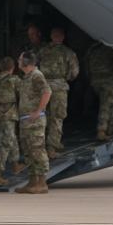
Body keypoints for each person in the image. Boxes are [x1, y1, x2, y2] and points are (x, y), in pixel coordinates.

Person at [0, 57, 25, 186]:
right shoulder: (15, 80)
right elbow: (22, 97)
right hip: (9, 114)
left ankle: (15, 164)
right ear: (13, 68)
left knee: (11, 138)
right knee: (6, 143)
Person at [39, 27, 79, 158]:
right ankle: (52, 148)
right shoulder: (68, 52)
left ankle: (41, 145)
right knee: (57, 117)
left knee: (43, 116)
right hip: (59, 87)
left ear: (51, 37)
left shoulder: (42, 51)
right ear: (62, 37)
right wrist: (64, 79)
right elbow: (74, 72)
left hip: (43, 87)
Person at [16, 51, 52, 194]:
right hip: (25, 120)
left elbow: (47, 92)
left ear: (26, 62)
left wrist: (38, 111)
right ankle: (32, 182)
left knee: (37, 150)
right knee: (28, 151)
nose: (18, 61)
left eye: (20, 59)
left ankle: (42, 183)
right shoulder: (26, 77)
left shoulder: (37, 75)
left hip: (35, 122)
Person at [85, 43, 113, 141]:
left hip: (95, 80)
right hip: (108, 79)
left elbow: (86, 64)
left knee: (109, 103)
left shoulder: (92, 48)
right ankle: (102, 130)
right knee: (106, 104)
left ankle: (110, 127)